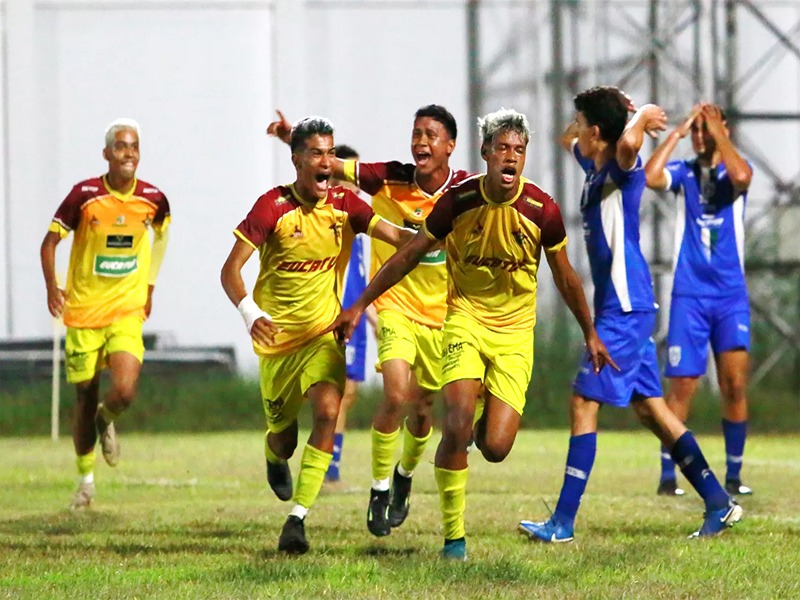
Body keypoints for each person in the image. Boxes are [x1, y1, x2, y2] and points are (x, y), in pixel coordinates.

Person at [326, 108, 614, 560]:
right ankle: (453, 539)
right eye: (502, 148)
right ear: (485, 153)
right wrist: (359, 305)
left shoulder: (542, 210)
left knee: (496, 447)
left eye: (519, 150)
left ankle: (465, 433)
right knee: (455, 421)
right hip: (463, 320)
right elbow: (410, 255)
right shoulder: (459, 201)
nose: (511, 157)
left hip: (515, 335)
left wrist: (590, 333)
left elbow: (566, 277)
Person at [517, 87, 742, 544]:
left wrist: (634, 115)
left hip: (624, 306)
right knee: (652, 411)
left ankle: (562, 522)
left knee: (583, 402)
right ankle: (718, 502)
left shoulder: (621, 170)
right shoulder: (594, 168)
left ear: (597, 134)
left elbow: (627, 145)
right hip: (623, 305)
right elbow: (569, 139)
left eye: (582, 124)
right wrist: (605, 108)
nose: (574, 130)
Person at [268, 105, 470, 537]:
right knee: (395, 394)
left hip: (445, 315)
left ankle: (403, 475)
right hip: (395, 306)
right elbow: (330, 166)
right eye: (416, 133)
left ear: (450, 145)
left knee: (422, 410)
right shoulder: (388, 178)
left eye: (431, 135)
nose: (421, 142)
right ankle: (379, 489)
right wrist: (293, 138)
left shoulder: (467, 190)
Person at [220, 116, 412, 555]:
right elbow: (230, 270)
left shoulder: (346, 205)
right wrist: (250, 313)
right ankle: (273, 456)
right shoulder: (271, 207)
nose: (327, 163)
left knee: (329, 410)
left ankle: (298, 518)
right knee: (283, 439)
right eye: (316, 155)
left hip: (323, 336)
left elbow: (396, 235)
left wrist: (438, 234)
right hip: (276, 344)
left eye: (331, 154)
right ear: (296, 161)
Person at [40, 118, 171, 509]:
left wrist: (148, 286)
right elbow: (49, 243)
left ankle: (107, 417)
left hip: (127, 309)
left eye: (133, 146)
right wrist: (53, 286)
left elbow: (163, 234)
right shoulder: (84, 196)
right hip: (82, 312)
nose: (128, 153)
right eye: (120, 146)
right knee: (84, 397)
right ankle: (85, 480)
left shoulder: (153, 198)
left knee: (125, 389)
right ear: (106, 154)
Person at [644, 104, 754, 497]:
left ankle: (735, 475)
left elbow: (743, 176)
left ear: (723, 128)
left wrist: (717, 133)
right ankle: (668, 475)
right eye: (698, 131)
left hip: (730, 295)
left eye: (707, 129)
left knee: (734, 384)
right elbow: (651, 176)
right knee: (682, 388)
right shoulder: (685, 173)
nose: (702, 136)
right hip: (689, 294)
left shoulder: (733, 168)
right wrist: (678, 133)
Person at [325, 144, 377, 486]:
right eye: (350, 178)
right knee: (330, 390)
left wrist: (373, 315)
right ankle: (325, 462)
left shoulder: (359, 224)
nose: (357, 187)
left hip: (356, 317)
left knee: (350, 390)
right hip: (332, 315)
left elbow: (360, 275)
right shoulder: (330, 219)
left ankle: (331, 463)